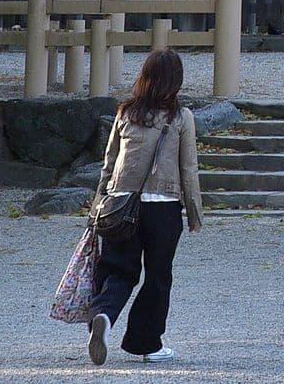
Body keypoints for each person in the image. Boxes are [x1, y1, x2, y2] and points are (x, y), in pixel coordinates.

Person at [86, 48, 203, 365]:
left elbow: (108, 165)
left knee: (118, 271)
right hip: (163, 209)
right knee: (157, 276)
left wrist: (97, 204)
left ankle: (104, 316)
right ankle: (147, 343)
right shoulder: (181, 117)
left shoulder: (125, 112)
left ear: (145, 77)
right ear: (175, 81)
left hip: (120, 206)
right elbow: (188, 170)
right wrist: (194, 213)